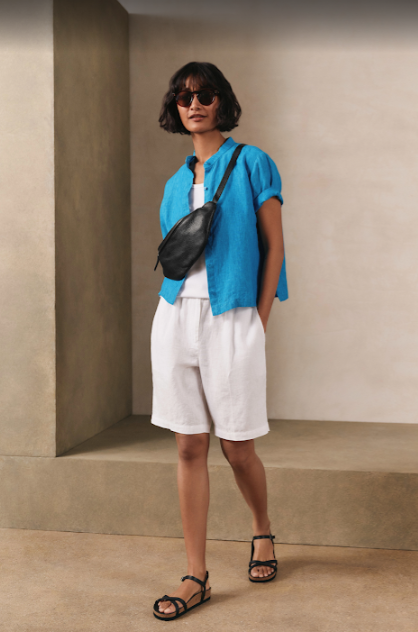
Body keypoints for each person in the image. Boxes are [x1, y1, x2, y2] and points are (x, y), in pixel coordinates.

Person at [151, 61, 288, 621]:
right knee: (188, 446)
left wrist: (258, 321)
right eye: (184, 97)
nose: (194, 104)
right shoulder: (174, 183)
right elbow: (174, 256)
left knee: (237, 447)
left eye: (205, 95)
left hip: (232, 316)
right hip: (174, 316)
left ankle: (262, 530)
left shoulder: (253, 162)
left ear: (222, 101)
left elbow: (274, 247)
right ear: (176, 107)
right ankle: (196, 575)